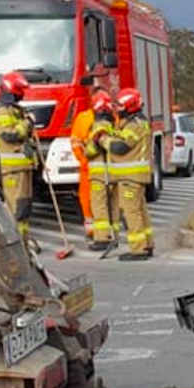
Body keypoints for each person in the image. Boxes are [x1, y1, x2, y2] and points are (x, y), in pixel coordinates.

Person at [0, 71, 37, 240]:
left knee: (24, 206)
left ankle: (23, 239)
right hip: (13, 170)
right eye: (20, 90)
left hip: (22, 168)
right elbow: (9, 135)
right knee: (16, 207)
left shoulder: (16, 111)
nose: (22, 94)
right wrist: (28, 122)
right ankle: (15, 241)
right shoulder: (3, 113)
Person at [109, 88, 154, 261]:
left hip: (130, 178)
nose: (117, 109)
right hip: (137, 177)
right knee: (140, 211)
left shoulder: (133, 126)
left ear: (129, 106)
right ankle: (147, 243)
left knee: (131, 213)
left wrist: (104, 140)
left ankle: (138, 249)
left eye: (120, 105)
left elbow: (120, 147)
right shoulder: (139, 122)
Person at [69, 85, 110, 242]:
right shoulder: (83, 118)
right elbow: (76, 143)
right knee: (87, 200)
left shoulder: (113, 117)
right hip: (89, 168)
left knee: (106, 201)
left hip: (108, 169)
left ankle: (105, 232)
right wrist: (84, 160)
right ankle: (93, 230)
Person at [82, 91, 119, 251]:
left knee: (99, 206)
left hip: (99, 175)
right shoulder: (113, 124)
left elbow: (91, 151)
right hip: (112, 173)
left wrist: (87, 145)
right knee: (113, 206)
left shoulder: (98, 126)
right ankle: (113, 236)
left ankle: (102, 239)